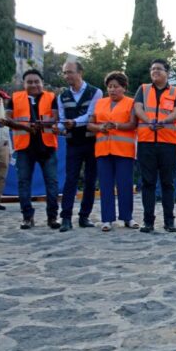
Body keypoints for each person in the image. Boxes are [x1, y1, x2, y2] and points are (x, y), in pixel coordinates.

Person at [133, 59, 176, 233]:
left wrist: (164, 121)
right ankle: (148, 221)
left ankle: (169, 221)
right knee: (148, 182)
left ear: (167, 73)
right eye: (153, 68)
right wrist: (149, 121)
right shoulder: (143, 89)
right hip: (146, 142)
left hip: (168, 143)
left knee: (167, 183)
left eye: (159, 69)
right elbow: (138, 108)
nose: (155, 71)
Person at [4, 69, 60, 230]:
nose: (34, 84)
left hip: (47, 147)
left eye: (37, 81)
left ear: (42, 83)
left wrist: (45, 124)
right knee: (23, 183)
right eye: (30, 82)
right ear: (24, 83)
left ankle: (52, 217)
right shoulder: (15, 98)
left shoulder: (51, 97)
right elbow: (8, 118)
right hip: (24, 147)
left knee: (52, 183)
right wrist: (24, 127)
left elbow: (56, 117)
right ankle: (27, 217)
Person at [88, 71, 138, 231]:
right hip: (103, 150)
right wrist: (100, 127)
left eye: (116, 87)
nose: (112, 90)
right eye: (109, 87)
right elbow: (90, 125)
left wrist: (116, 126)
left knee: (125, 184)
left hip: (124, 150)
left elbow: (133, 124)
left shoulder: (131, 103)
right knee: (105, 185)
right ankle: (107, 219)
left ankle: (127, 217)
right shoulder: (100, 103)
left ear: (124, 88)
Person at [57, 61, 102, 232]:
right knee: (71, 180)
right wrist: (58, 127)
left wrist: (73, 122)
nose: (67, 76)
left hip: (91, 141)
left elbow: (90, 115)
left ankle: (84, 216)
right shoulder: (62, 96)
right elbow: (61, 118)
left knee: (90, 180)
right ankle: (66, 217)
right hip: (73, 143)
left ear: (80, 72)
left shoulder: (95, 92)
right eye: (65, 72)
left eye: (70, 72)